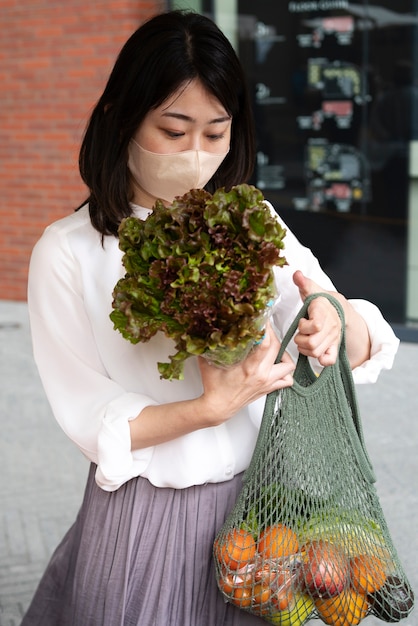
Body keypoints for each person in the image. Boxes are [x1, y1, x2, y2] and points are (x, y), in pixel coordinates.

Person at [22, 10, 399, 626]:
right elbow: (91, 416)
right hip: (148, 518)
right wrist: (208, 409)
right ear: (121, 118)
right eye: (174, 131)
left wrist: (330, 319)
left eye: (216, 133)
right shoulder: (67, 251)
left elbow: (349, 329)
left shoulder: (253, 222)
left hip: (263, 512)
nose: (196, 154)